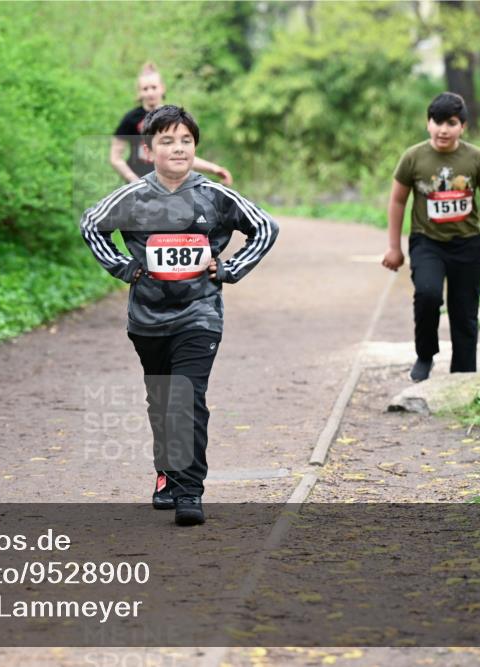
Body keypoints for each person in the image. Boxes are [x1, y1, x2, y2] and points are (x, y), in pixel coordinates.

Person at [82, 105, 279, 526]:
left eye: (186, 141)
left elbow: (265, 227)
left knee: (187, 397)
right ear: (149, 149)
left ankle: (190, 490)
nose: (178, 148)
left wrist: (229, 268)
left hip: (199, 314)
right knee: (163, 401)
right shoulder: (133, 197)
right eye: (168, 141)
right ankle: (167, 475)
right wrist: (123, 267)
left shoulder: (214, 196)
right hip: (148, 319)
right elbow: (91, 224)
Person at [382, 92, 480, 382]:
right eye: (437, 122)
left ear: (462, 126)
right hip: (426, 242)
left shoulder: (475, 157)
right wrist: (394, 247)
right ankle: (425, 355)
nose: (443, 129)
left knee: (465, 309)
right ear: (428, 123)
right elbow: (397, 201)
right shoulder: (413, 157)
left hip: (467, 244)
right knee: (428, 295)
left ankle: (464, 372)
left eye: (451, 123)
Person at [111, 62, 232, 186]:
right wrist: (133, 179)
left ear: (162, 88)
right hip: (139, 186)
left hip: (170, 183)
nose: (150, 92)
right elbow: (115, 157)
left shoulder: (173, 118)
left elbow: (181, 154)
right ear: (139, 92)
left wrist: (214, 169)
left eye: (153, 87)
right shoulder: (130, 119)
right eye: (145, 89)